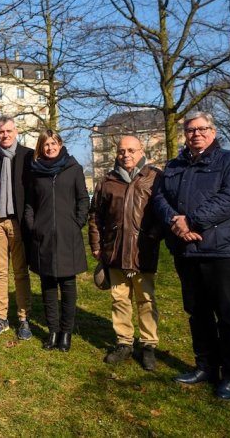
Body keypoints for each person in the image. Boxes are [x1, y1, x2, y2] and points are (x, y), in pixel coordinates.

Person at [153, 112, 230, 400]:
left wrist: (191, 221)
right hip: (187, 251)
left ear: (213, 131)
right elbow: (159, 198)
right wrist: (174, 222)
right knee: (197, 312)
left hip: (221, 251)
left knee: (229, 315)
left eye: (202, 129)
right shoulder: (174, 165)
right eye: (190, 129)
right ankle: (205, 366)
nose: (196, 134)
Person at [88, 136, 162, 370]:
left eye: (131, 150)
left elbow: (164, 212)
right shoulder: (107, 181)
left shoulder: (154, 178)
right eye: (121, 151)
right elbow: (95, 216)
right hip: (114, 250)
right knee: (119, 299)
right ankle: (124, 342)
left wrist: (152, 236)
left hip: (142, 252)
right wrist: (97, 245)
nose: (126, 154)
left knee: (146, 299)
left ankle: (149, 345)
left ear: (142, 151)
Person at [24, 129, 89, 352]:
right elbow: (30, 204)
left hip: (67, 235)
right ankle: (52, 331)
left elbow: (83, 200)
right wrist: (33, 225)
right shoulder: (36, 172)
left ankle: (66, 332)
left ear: (60, 144)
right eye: (45, 145)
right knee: (48, 285)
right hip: (43, 237)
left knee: (68, 286)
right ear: (40, 148)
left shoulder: (74, 169)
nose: (49, 148)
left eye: (53, 143)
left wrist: (76, 223)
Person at [0, 116, 34, 340]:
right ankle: (0, 317)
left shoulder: (28, 155)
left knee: (21, 273)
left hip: (17, 222)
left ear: (16, 131)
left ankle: (24, 319)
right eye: (1, 131)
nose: (5, 135)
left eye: (9, 131)